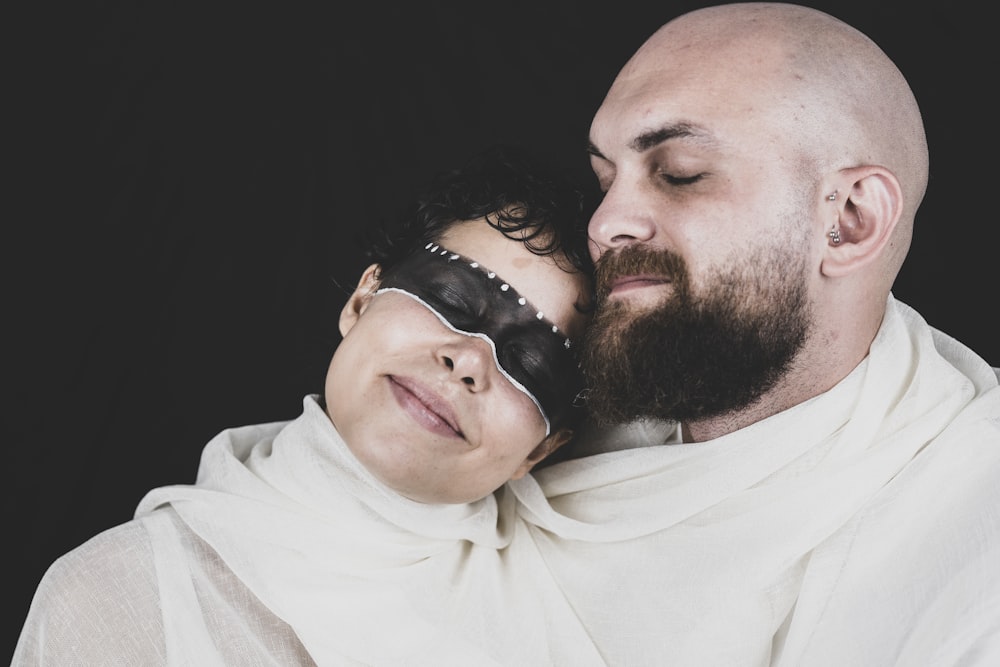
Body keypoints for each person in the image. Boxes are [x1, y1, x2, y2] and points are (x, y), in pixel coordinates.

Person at [511, 3, 1000, 665]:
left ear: (850, 221)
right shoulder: (522, 423)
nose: (605, 223)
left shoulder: (978, 526)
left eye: (680, 173)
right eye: (605, 178)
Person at [12, 145, 600, 665]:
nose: (468, 361)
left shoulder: (583, 614)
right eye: (450, 298)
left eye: (529, 364)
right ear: (362, 299)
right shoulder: (113, 596)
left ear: (543, 449)